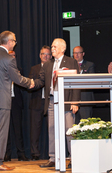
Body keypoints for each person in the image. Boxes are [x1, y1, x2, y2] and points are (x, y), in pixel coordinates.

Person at [0, 30, 34, 171]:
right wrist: (30, 82)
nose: (15, 43)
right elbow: (17, 78)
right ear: (9, 42)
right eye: (14, 41)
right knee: (0, 132)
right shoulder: (9, 58)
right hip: (2, 100)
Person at [34, 38, 80, 169]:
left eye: (54, 47)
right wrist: (30, 83)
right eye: (52, 46)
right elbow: (40, 80)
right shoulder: (48, 64)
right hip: (52, 101)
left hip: (67, 101)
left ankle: (73, 158)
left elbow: (76, 83)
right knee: (52, 129)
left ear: (62, 49)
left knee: (69, 130)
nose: (52, 48)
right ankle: (53, 158)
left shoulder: (71, 62)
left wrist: (75, 101)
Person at [4, 50, 29, 162]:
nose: (12, 57)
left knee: (18, 129)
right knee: (6, 130)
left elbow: (22, 85)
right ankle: (6, 154)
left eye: (14, 55)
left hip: (16, 102)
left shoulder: (19, 70)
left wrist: (17, 74)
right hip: (4, 101)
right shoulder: (2, 69)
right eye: (10, 56)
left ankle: (21, 154)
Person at [28, 45, 52, 161]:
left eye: (48, 54)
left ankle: (52, 153)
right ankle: (35, 153)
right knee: (35, 129)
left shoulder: (54, 67)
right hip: (37, 102)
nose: (45, 56)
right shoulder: (34, 68)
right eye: (43, 54)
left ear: (51, 56)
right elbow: (30, 86)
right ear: (40, 56)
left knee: (51, 128)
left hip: (50, 102)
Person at [73, 46, 95, 123]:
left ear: (83, 54)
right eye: (75, 53)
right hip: (72, 99)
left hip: (85, 99)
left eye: (78, 53)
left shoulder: (90, 65)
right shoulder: (70, 65)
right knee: (74, 125)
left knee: (86, 124)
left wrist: (80, 71)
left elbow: (91, 80)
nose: (76, 55)